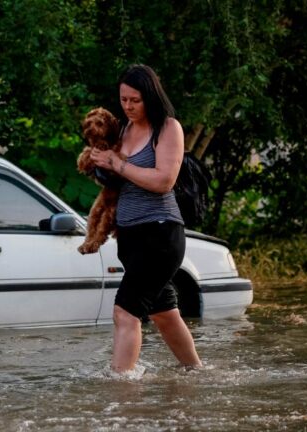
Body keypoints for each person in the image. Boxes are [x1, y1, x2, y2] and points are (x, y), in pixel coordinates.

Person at [87, 64, 202, 373]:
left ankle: (121, 391)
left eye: (134, 100)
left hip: (161, 234)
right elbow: (119, 181)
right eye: (123, 99)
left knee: (125, 312)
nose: (128, 106)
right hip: (130, 235)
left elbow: (163, 180)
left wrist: (117, 163)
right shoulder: (123, 129)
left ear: (150, 96)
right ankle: (196, 373)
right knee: (164, 313)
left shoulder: (168, 128)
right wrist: (101, 165)